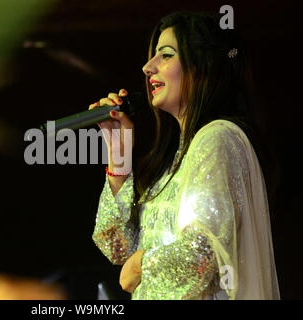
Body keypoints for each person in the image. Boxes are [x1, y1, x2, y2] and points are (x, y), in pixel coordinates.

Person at [89, 11, 280, 300]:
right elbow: (118, 249)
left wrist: (142, 265)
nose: (147, 67)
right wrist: (118, 155)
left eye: (165, 55)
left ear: (203, 67)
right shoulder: (176, 158)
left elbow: (201, 255)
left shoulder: (217, 138)